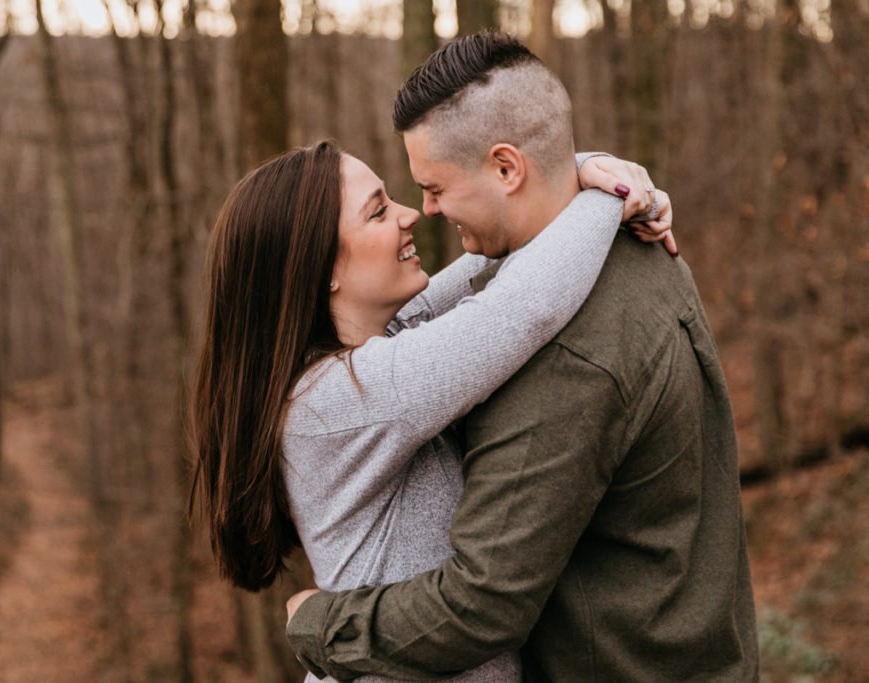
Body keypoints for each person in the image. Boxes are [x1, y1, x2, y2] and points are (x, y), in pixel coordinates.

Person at [285, 32, 759, 682]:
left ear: (507, 168)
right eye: (386, 205)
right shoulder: (639, 249)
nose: (421, 211)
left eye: (434, 187)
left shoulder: (561, 354)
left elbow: (480, 604)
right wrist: (601, 185)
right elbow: (504, 293)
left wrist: (318, 623)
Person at [191, 137, 670, 679]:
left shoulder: (379, 344)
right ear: (323, 269)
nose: (410, 215)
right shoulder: (340, 399)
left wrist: (586, 171)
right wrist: (612, 197)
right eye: (378, 212)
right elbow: (525, 307)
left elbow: (502, 259)